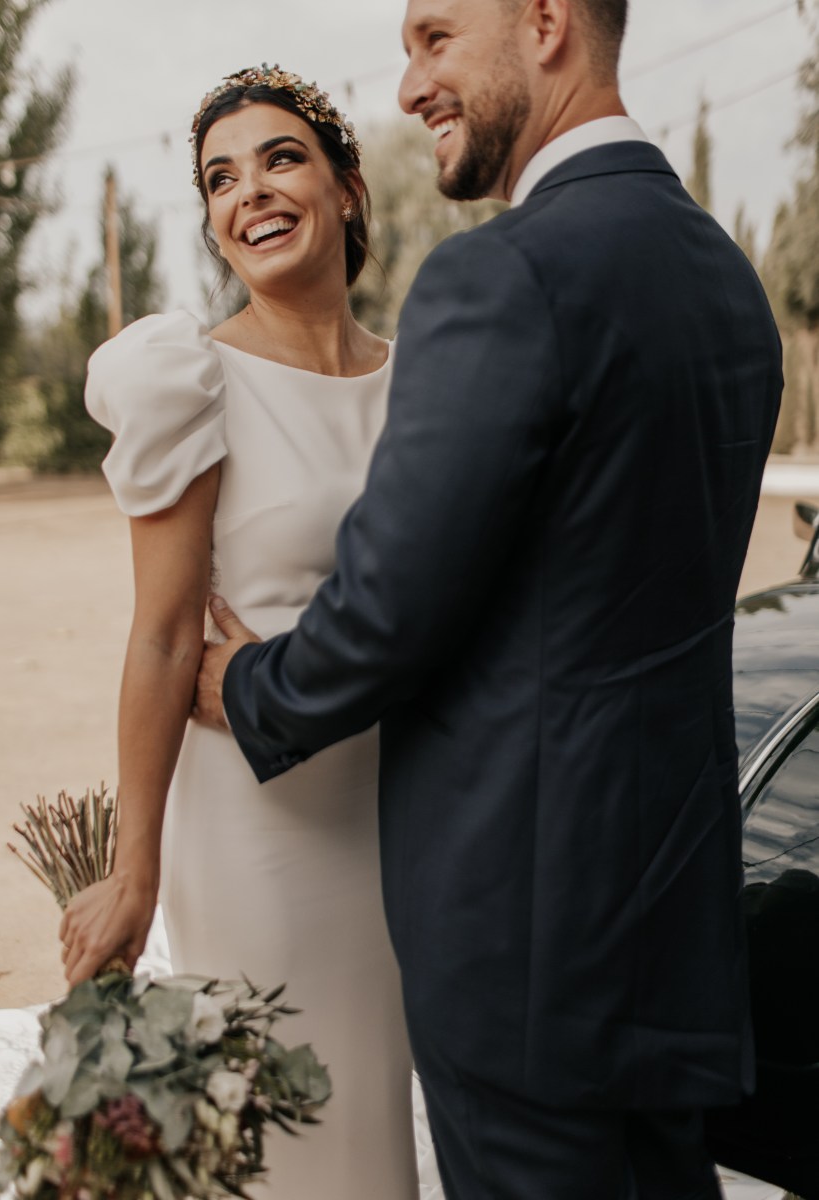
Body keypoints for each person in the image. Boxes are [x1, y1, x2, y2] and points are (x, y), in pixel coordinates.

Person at [192, 1, 785, 1197]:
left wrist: (246, 684)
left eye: (436, 38)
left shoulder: (500, 274)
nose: (408, 86)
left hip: (520, 946)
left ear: (547, 21)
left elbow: (385, 613)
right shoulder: (725, 279)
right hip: (672, 932)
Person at [59, 66, 420, 1200]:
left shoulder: (429, 383)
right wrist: (133, 871)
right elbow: (165, 640)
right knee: (281, 1129)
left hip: (403, 817)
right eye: (220, 178)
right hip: (256, 832)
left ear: (349, 188)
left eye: (279, 159)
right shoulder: (190, 382)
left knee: (372, 1126)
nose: (248, 194)